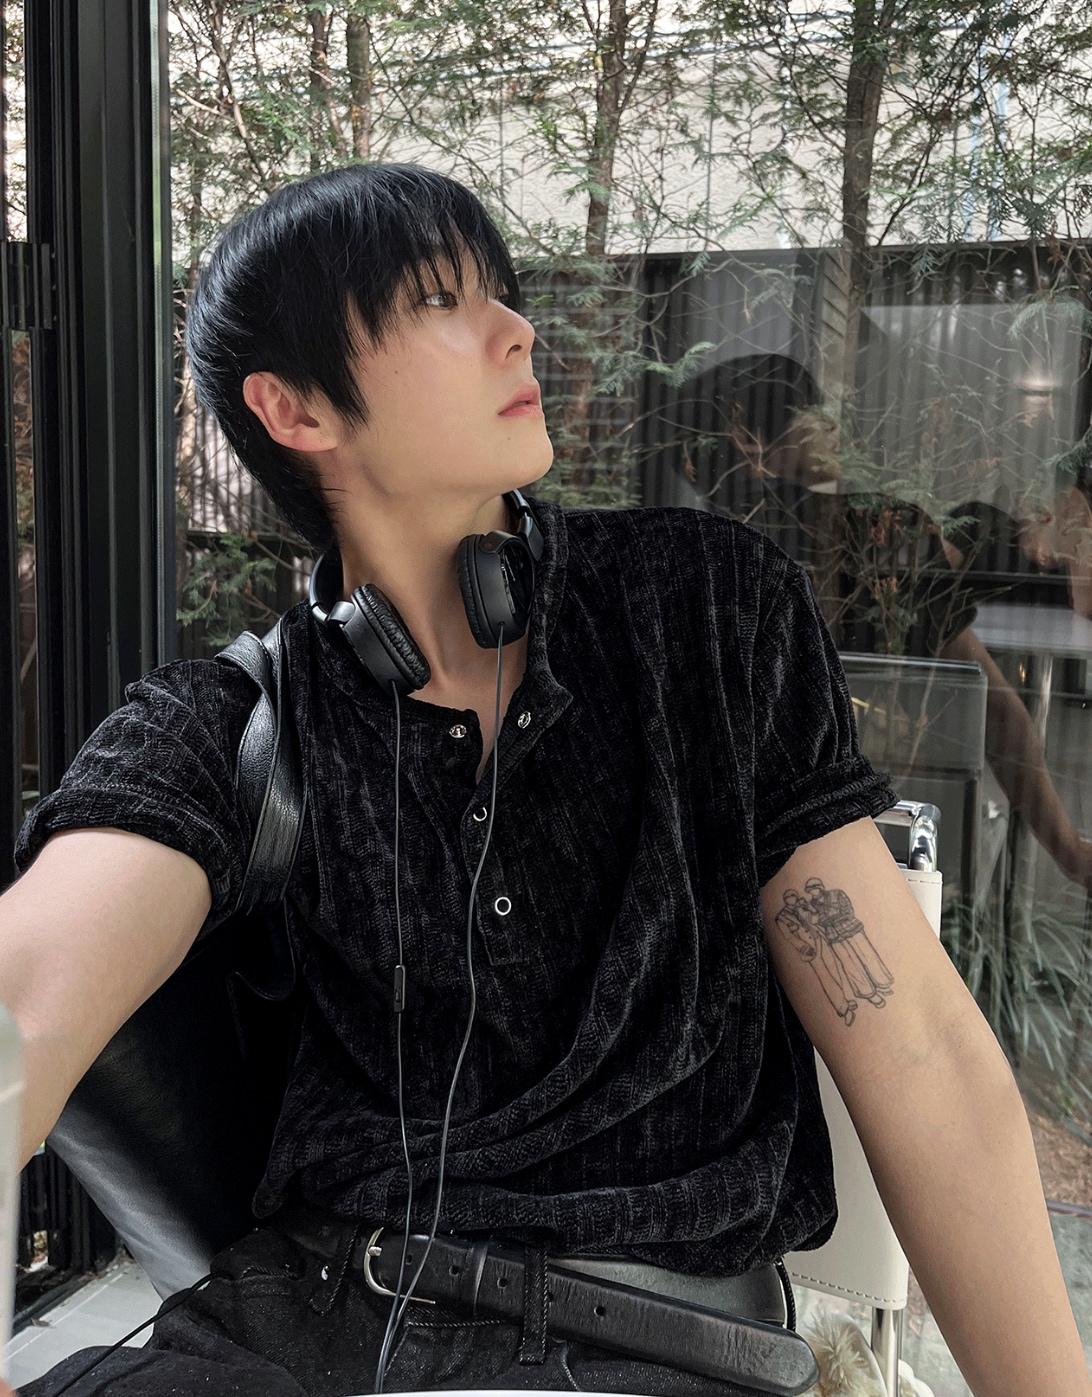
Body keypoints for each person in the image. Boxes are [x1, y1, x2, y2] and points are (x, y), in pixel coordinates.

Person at [1, 165, 1089, 1397]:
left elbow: (924, 1056)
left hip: (664, 1345)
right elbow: (18, 1005)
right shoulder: (232, 722)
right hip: (300, 1331)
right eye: (440, 299)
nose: (517, 328)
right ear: (296, 407)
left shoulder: (711, 612)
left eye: (501, 292)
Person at [672, 351, 1092, 892]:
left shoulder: (699, 557)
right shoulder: (875, 534)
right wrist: (1070, 852)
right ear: (750, 440)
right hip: (854, 843)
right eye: (810, 411)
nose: (833, 426)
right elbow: (997, 713)